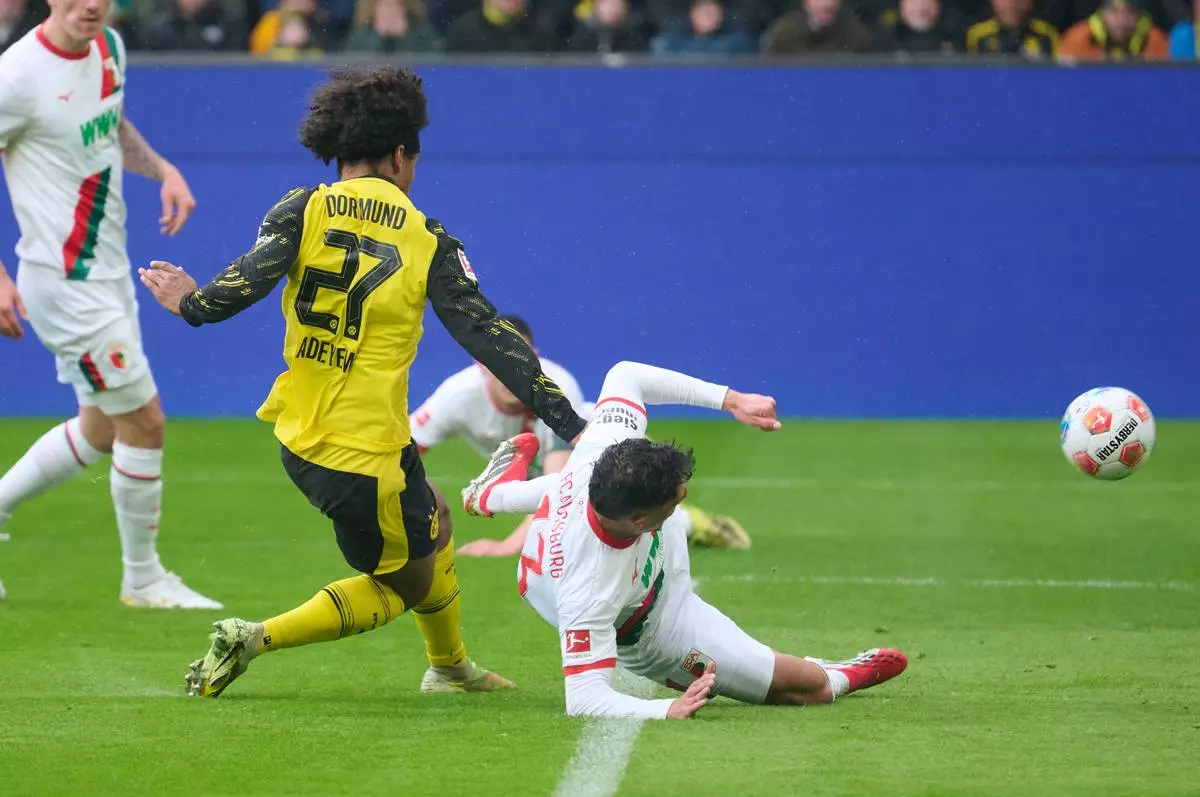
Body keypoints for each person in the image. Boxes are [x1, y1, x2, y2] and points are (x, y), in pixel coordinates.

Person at [137, 66, 588, 698]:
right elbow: (491, 339)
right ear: (401, 154)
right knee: (408, 584)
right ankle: (254, 637)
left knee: (432, 513)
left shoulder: (302, 207)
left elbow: (237, 288)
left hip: (303, 432)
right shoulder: (428, 239)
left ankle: (451, 668)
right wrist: (574, 425)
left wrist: (189, 300)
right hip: (364, 453)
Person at [462, 361, 908, 718]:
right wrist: (665, 709)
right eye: (675, 498)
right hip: (653, 625)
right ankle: (833, 674)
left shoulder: (605, 450)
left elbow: (626, 374)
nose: (686, 495)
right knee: (806, 690)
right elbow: (584, 699)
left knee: (576, 482)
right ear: (640, 519)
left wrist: (732, 400)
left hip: (630, 545)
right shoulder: (589, 589)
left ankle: (491, 495)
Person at [0, 0, 220, 609]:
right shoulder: (16, 77)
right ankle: (142, 579)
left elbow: (111, 125)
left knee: (101, 428)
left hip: (108, 273)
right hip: (64, 283)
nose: (91, 4)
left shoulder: (109, 48)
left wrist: (164, 170)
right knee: (145, 421)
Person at [413, 313, 752, 556]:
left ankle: (694, 523)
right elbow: (406, 449)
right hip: (544, 476)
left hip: (604, 462)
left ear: (534, 358)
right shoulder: (456, 397)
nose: (510, 368)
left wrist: (507, 546)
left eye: (520, 357)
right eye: (498, 358)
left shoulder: (556, 389)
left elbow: (562, 486)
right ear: (480, 363)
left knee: (619, 518)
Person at [1058, 0, 1168, 60]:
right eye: (1114, 12)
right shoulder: (1079, 38)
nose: (1122, 20)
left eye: (1129, 13)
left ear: (1138, 17)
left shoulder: (1154, 39)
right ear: (1103, 14)